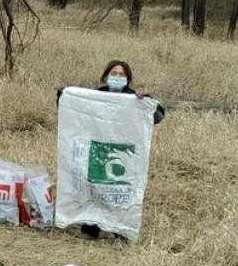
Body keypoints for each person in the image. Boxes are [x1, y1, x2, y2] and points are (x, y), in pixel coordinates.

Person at [58, 59, 166, 240]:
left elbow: (157, 117)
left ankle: (121, 230)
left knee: (120, 189)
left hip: (123, 150)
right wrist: (65, 94)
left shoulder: (135, 98)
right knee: (94, 185)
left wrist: (147, 99)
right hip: (98, 148)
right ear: (106, 76)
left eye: (122, 74)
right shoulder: (96, 95)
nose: (117, 77)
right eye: (113, 74)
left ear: (128, 79)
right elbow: (74, 110)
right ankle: (90, 228)